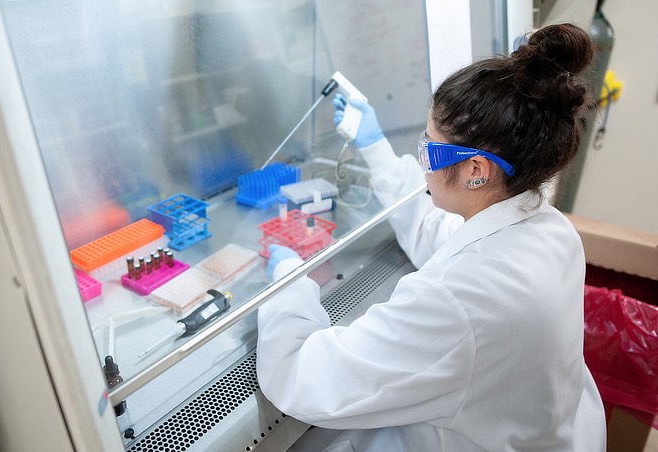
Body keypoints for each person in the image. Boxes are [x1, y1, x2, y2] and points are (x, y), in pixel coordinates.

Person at [256, 23, 607, 451]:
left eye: (429, 147)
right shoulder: (551, 229)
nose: (423, 159)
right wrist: (375, 148)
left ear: (477, 171)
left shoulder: (457, 303)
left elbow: (302, 377)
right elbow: (443, 237)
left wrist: (289, 281)